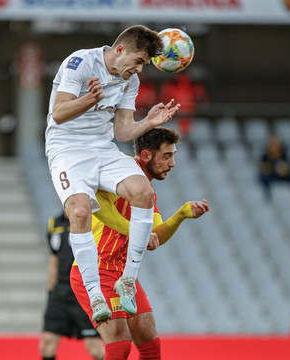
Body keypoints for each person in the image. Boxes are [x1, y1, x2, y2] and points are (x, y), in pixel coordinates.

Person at [45, 24, 181, 324]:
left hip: (102, 148)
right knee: (79, 211)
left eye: (143, 64)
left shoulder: (129, 80)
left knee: (143, 192)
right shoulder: (79, 62)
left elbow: (121, 131)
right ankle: (95, 294)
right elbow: (58, 113)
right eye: (139, 61)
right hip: (67, 148)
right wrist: (89, 100)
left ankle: (128, 281)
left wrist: (148, 122)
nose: (139, 69)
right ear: (120, 50)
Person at [71, 127, 210, 360]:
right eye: (167, 156)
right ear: (145, 156)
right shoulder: (119, 171)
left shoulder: (146, 193)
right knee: (119, 344)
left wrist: (181, 215)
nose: (173, 163)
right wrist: (135, 231)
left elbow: (153, 237)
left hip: (124, 274)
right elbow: (96, 202)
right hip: (96, 268)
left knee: (150, 342)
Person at [39, 212, 104, 360]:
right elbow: (54, 259)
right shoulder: (54, 223)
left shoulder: (93, 220)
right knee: (47, 344)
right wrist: (51, 294)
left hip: (84, 292)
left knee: (94, 347)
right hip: (60, 292)